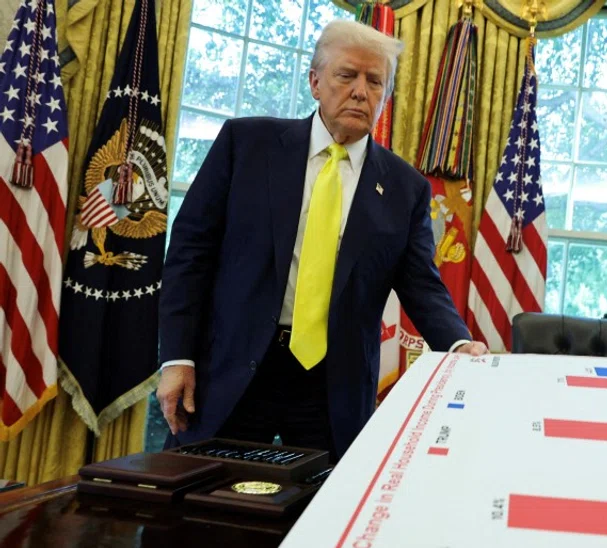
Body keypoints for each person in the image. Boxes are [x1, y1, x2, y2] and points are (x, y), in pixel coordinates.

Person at [157, 20, 487, 459]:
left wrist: (459, 343)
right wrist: (177, 356)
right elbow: (189, 255)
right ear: (315, 81)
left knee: (321, 516)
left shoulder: (405, 188)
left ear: (385, 97)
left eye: (375, 82)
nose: (359, 91)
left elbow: (420, 283)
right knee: (198, 508)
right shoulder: (246, 144)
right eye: (346, 75)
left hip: (333, 387)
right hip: (233, 369)